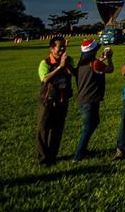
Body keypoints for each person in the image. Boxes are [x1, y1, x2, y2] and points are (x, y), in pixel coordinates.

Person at [37, 36, 74, 166]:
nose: (62, 49)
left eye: (64, 46)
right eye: (60, 47)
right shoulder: (45, 63)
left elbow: (73, 73)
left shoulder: (68, 60)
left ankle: (52, 156)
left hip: (62, 100)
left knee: (57, 129)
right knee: (43, 129)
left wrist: (66, 64)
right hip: (47, 100)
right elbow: (45, 79)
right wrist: (59, 67)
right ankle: (42, 157)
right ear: (52, 49)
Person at [73, 38, 112, 161]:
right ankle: (79, 154)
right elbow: (110, 69)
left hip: (82, 99)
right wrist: (109, 58)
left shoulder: (81, 64)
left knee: (92, 123)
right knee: (88, 127)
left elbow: (94, 67)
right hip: (91, 99)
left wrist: (101, 59)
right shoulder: (95, 63)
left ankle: (83, 151)